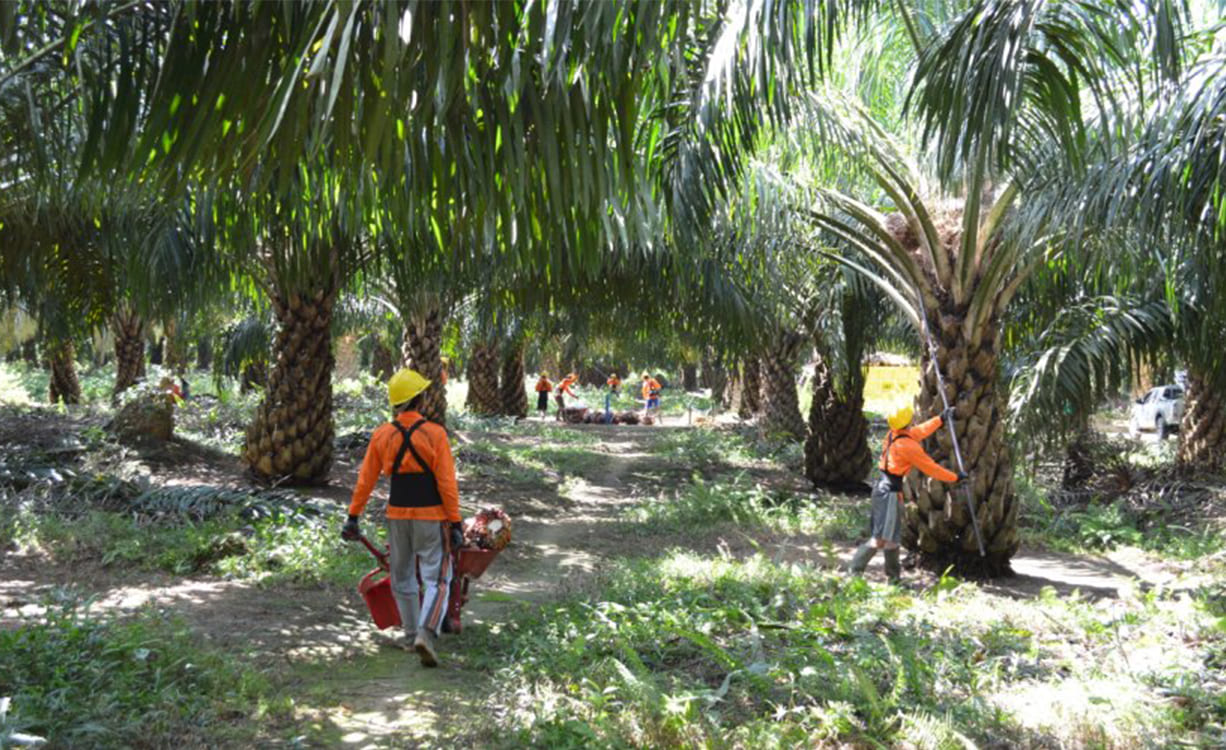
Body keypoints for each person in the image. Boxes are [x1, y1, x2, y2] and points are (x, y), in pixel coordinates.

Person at [342, 368, 463, 667]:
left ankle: (410, 636)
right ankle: (425, 631)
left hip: (397, 516)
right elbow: (446, 483)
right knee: (439, 578)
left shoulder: (383, 435)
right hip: (431, 516)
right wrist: (456, 522)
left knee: (402, 575)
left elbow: (366, 480)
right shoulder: (435, 434)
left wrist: (353, 516)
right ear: (419, 400)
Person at [849, 404, 965, 584]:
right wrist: (955, 477)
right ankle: (856, 572)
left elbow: (919, 431)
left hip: (883, 490)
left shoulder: (894, 435)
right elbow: (931, 468)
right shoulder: (908, 446)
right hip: (889, 494)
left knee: (891, 537)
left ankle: (893, 579)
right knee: (881, 538)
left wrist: (940, 419)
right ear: (907, 421)